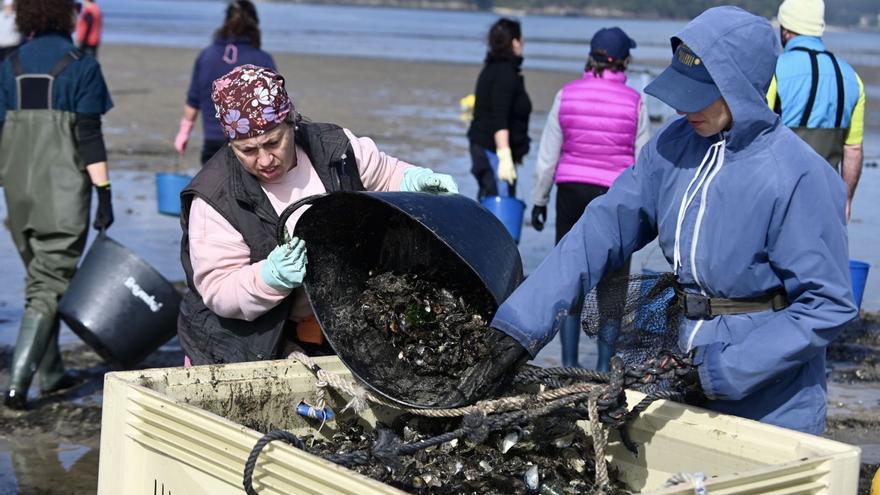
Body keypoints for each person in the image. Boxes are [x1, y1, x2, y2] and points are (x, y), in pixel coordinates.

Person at [488, 6, 857, 435]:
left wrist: (719, 371)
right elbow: (601, 228)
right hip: (681, 372)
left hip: (771, 406)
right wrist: (518, 325)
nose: (684, 109)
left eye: (699, 95)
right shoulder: (672, 146)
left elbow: (828, 305)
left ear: (739, 85)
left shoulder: (799, 175)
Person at [178, 65, 459, 365]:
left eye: (274, 143)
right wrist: (269, 278)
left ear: (291, 123)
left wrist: (412, 181)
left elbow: (384, 174)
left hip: (334, 321)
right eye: (248, 150)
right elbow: (219, 290)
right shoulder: (215, 197)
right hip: (248, 338)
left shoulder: (334, 149)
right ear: (232, 145)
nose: (264, 160)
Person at [0, 0, 114, 409]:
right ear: (66, 14)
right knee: (48, 286)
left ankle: (51, 374)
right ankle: (18, 385)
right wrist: (104, 190)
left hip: (18, 194)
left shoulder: (9, 65)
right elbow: (89, 136)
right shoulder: (82, 65)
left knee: (38, 280)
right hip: (62, 195)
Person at [530, 27, 650, 371]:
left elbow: (548, 156)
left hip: (571, 193)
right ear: (624, 61)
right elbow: (643, 161)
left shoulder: (566, 95)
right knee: (613, 286)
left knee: (571, 275)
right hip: (615, 197)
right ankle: (603, 366)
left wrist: (539, 200)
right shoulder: (635, 101)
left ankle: (567, 367)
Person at [768, 0, 866, 222]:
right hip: (827, 204)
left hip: (779, 203)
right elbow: (853, 150)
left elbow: (753, 133)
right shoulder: (852, 78)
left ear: (785, 30)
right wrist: (846, 201)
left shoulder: (774, 70)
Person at [174, 0, 276, 165]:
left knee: (214, 190)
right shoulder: (262, 59)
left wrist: (183, 134)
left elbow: (193, 101)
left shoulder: (206, 56)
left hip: (212, 145)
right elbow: (274, 106)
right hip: (251, 147)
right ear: (254, 26)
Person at [467, 17, 532, 199]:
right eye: (521, 39)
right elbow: (499, 118)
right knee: (499, 204)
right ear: (514, 42)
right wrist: (504, 157)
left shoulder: (494, 69)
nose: (523, 44)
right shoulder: (504, 74)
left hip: (487, 147)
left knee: (490, 198)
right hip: (491, 150)